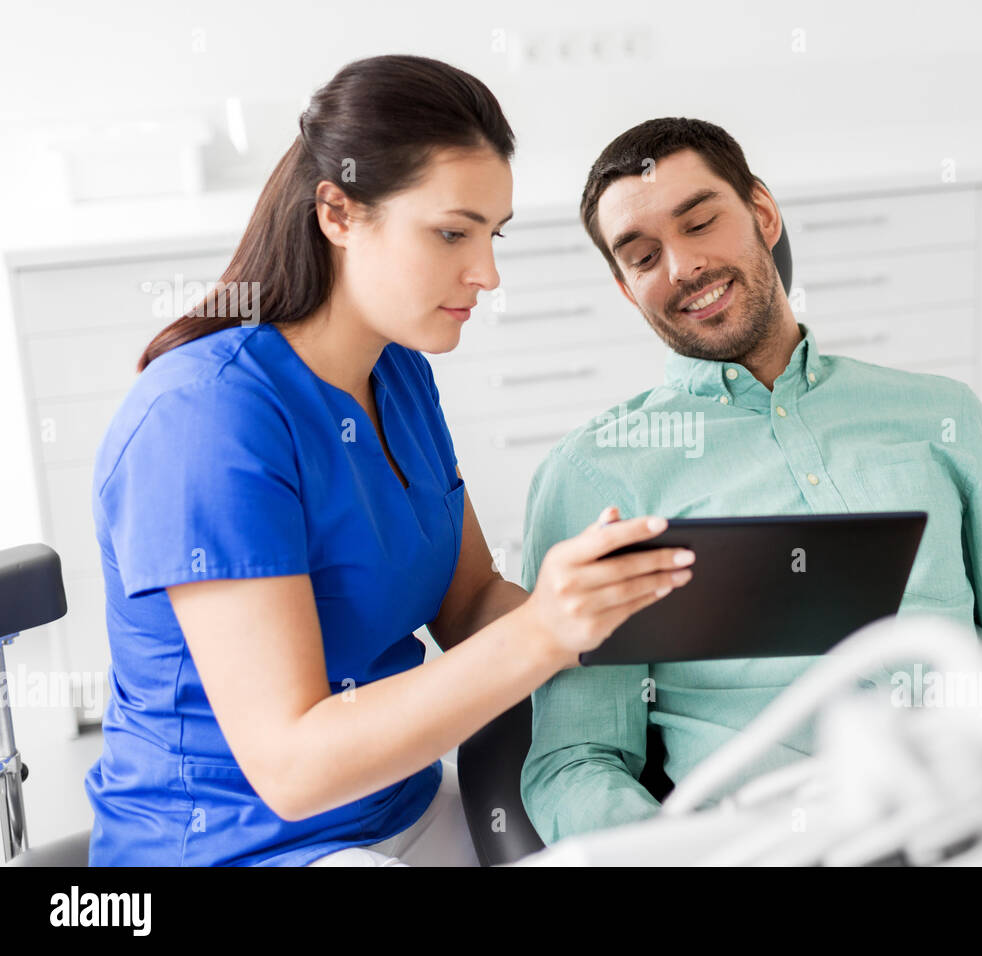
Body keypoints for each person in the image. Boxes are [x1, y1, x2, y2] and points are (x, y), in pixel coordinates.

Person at [84, 55, 693, 866]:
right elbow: (294, 769)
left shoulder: (397, 373)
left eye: (491, 235)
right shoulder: (204, 420)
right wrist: (547, 630)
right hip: (241, 847)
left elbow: (469, 601)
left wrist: (628, 618)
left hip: (398, 808)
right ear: (337, 212)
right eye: (451, 232)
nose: (487, 274)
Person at [519, 117, 982, 845]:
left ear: (763, 213)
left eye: (700, 222)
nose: (682, 266)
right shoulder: (594, 475)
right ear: (627, 290)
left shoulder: (941, 416)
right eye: (644, 254)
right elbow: (576, 760)